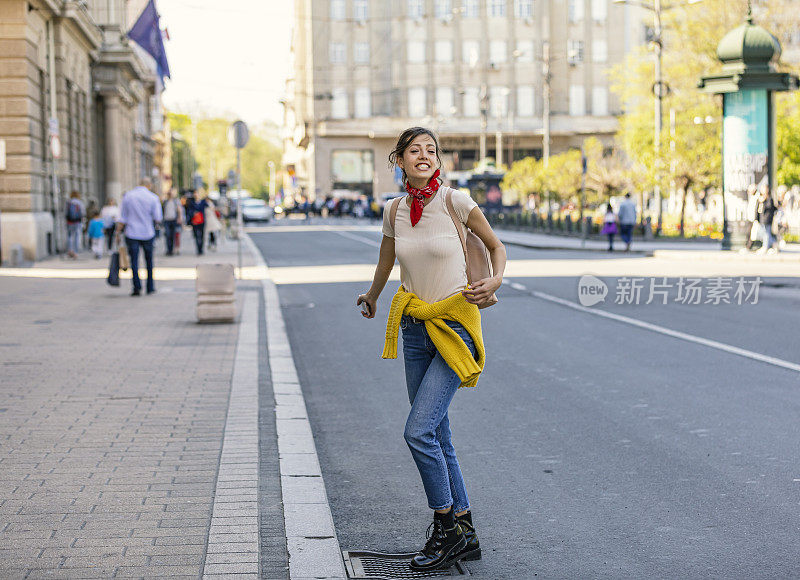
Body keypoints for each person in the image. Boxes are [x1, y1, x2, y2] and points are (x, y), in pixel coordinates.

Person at [357, 127, 506, 572]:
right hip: (414, 326)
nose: (424, 156)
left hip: (456, 324)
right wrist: (373, 294)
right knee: (438, 432)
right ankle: (466, 529)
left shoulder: (457, 202)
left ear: (439, 160)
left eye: (431, 150)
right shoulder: (395, 210)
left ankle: (445, 527)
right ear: (399, 160)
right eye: (414, 150)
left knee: (418, 431)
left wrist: (496, 279)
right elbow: (387, 260)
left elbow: (496, 247)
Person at [116, 178, 163, 296]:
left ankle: (136, 287)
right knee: (149, 260)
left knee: (134, 261)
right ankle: (150, 287)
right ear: (149, 185)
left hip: (132, 233)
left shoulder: (128, 196)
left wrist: (117, 232)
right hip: (148, 232)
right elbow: (158, 218)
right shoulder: (153, 198)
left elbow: (123, 217)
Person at [755, 184, 776, 254]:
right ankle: (774, 244)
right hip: (761, 219)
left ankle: (766, 247)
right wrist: (756, 218)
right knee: (762, 233)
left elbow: (770, 207)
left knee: (767, 234)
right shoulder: (759, 198)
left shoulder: (769, 199)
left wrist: (764, 200)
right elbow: (757, 209)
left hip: (767, 219)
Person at [162, 189, 182, 256]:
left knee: (173, 236)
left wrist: (179, 218)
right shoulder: (165, 202)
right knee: (167, 235)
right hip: (167, 220)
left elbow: (179, 210)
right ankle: (169, 250)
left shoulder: (175, 201)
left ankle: (172, 249)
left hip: (173, 220)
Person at [65, 191, 85, 259]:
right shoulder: (79, 202)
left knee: (70, 236)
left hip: (70, 222)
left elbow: (66, 212)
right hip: (77, 222)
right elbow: (83, 212)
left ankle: (70, 250)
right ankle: (75, 252)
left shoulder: (69, 202)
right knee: (77, 237)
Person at [188, 191, 209, 255]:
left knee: (202, 235)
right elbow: (189, 211)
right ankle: (198, 249)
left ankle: (201, 249)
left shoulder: (203, 202)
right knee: (196, 235)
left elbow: (208, 206)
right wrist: (193, 213)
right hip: (195, 221)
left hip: (202, 220)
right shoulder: (191, 202)